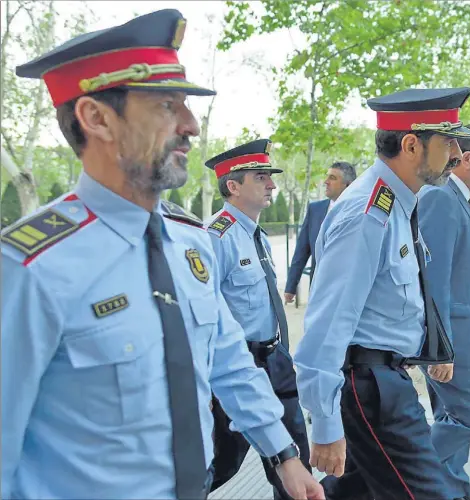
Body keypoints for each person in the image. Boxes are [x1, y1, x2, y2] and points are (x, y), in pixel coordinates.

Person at [1, 10, 323, 500]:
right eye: (167, 107)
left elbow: (228, 360)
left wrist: (284, 455)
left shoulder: (191, 242)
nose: (191, 126)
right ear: (96, 118)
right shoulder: (30, 266)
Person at [294, 87, 470, 500]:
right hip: (371, 388)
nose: (455, 155)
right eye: (447, 142)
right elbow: (328, 324)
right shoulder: (367, 212)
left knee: (349, 493)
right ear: (411, 145)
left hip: (384, 378)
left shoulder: (397, 204)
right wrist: (324, 425)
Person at [205, 140, 311, 499]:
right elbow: (205, 316)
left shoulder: (256, 234)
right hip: (236, 369)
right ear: (232, 186)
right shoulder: (215, 238)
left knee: (296, 462)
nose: (272, 185)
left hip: (276, 360)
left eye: (269, 176)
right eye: (260, 177)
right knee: (222, 464)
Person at [417, 125, 470, 500]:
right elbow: (434, 280)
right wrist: (442, 347)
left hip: (459, 342)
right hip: (450, 345)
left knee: (453, 425)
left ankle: (450, 493)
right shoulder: (441, 198)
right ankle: (400, 469)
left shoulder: (458, 198)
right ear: (466, 159)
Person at [284, 162, 357, 304]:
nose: (326, 182)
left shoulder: (361, 212)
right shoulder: (315, 210)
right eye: (327, 177)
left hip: (349, 293)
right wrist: (290, 286)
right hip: (319, 290)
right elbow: (302, 250)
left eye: (332, 178)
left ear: (348, 185)